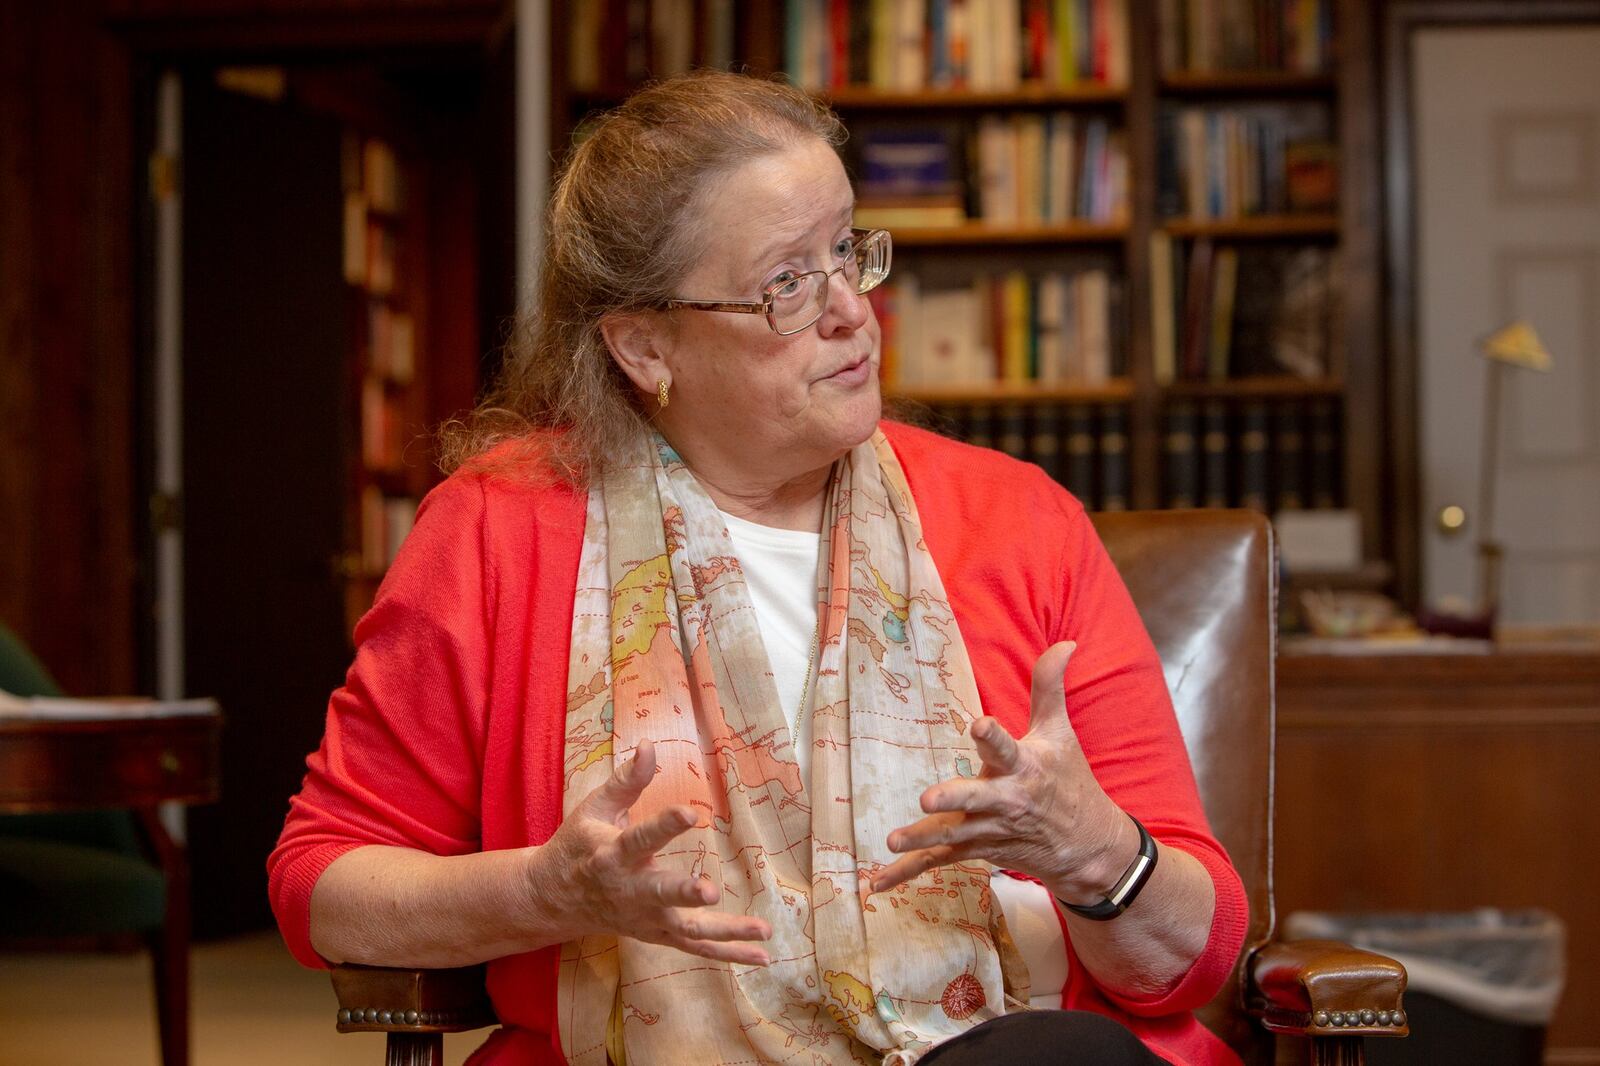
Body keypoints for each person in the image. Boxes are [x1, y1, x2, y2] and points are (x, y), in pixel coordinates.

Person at [269, 70, 1247, 1065]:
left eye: (845, 251)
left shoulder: (1017, 519)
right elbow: (323, 886)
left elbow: (1189, 957)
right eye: (787, 283)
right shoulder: (499, 530)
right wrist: (543, 892)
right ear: (645, 346)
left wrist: (1092, 851)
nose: (851, 311)